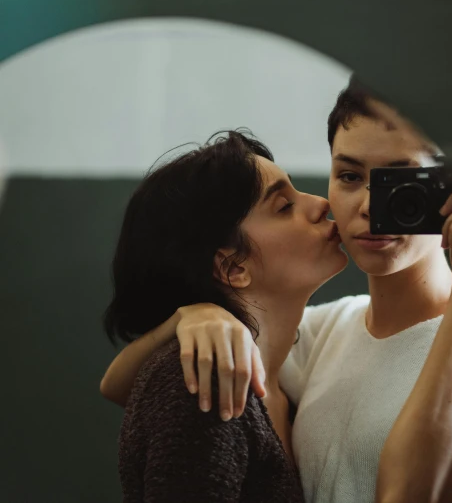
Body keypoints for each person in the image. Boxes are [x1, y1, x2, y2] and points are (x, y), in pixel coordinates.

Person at [101, 78, 452, 503]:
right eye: (349, 176)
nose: (368, 206)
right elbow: (131, 388)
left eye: (401, 185)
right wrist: (191, 316)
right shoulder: (325, 331)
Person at [103, 130, 347, 502]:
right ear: (233, 268)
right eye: (284, 206)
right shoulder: (205, 382)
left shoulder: (295, 370)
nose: (320, 203)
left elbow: (113, 384)